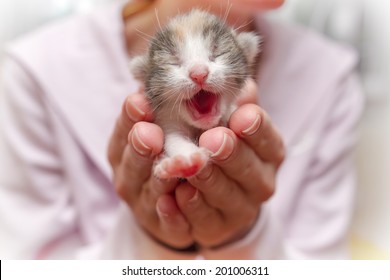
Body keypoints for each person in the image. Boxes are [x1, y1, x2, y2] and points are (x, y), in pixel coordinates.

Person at [0, 0, 364, 259]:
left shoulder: (332, 76)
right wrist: (148, 244)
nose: (199, 73)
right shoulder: (30, 70)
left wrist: (246, 241)